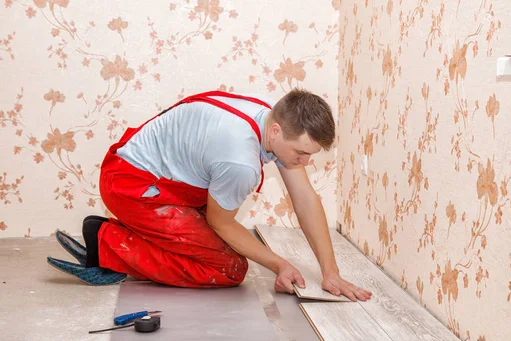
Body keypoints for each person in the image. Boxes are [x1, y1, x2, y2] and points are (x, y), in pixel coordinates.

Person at [47, 89, 372, 302]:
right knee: (229, 268)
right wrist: (279, 264)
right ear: (276, 132)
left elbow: (306, 198)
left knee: (216, 242)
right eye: (302, 153)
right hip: (134, 187)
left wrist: (331, 273)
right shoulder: (240, 160)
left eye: (310, 155)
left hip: (151, 176)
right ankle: (106, 244)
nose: (305, 162)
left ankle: (118, 234)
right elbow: (222, 223)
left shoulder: (269, 117)